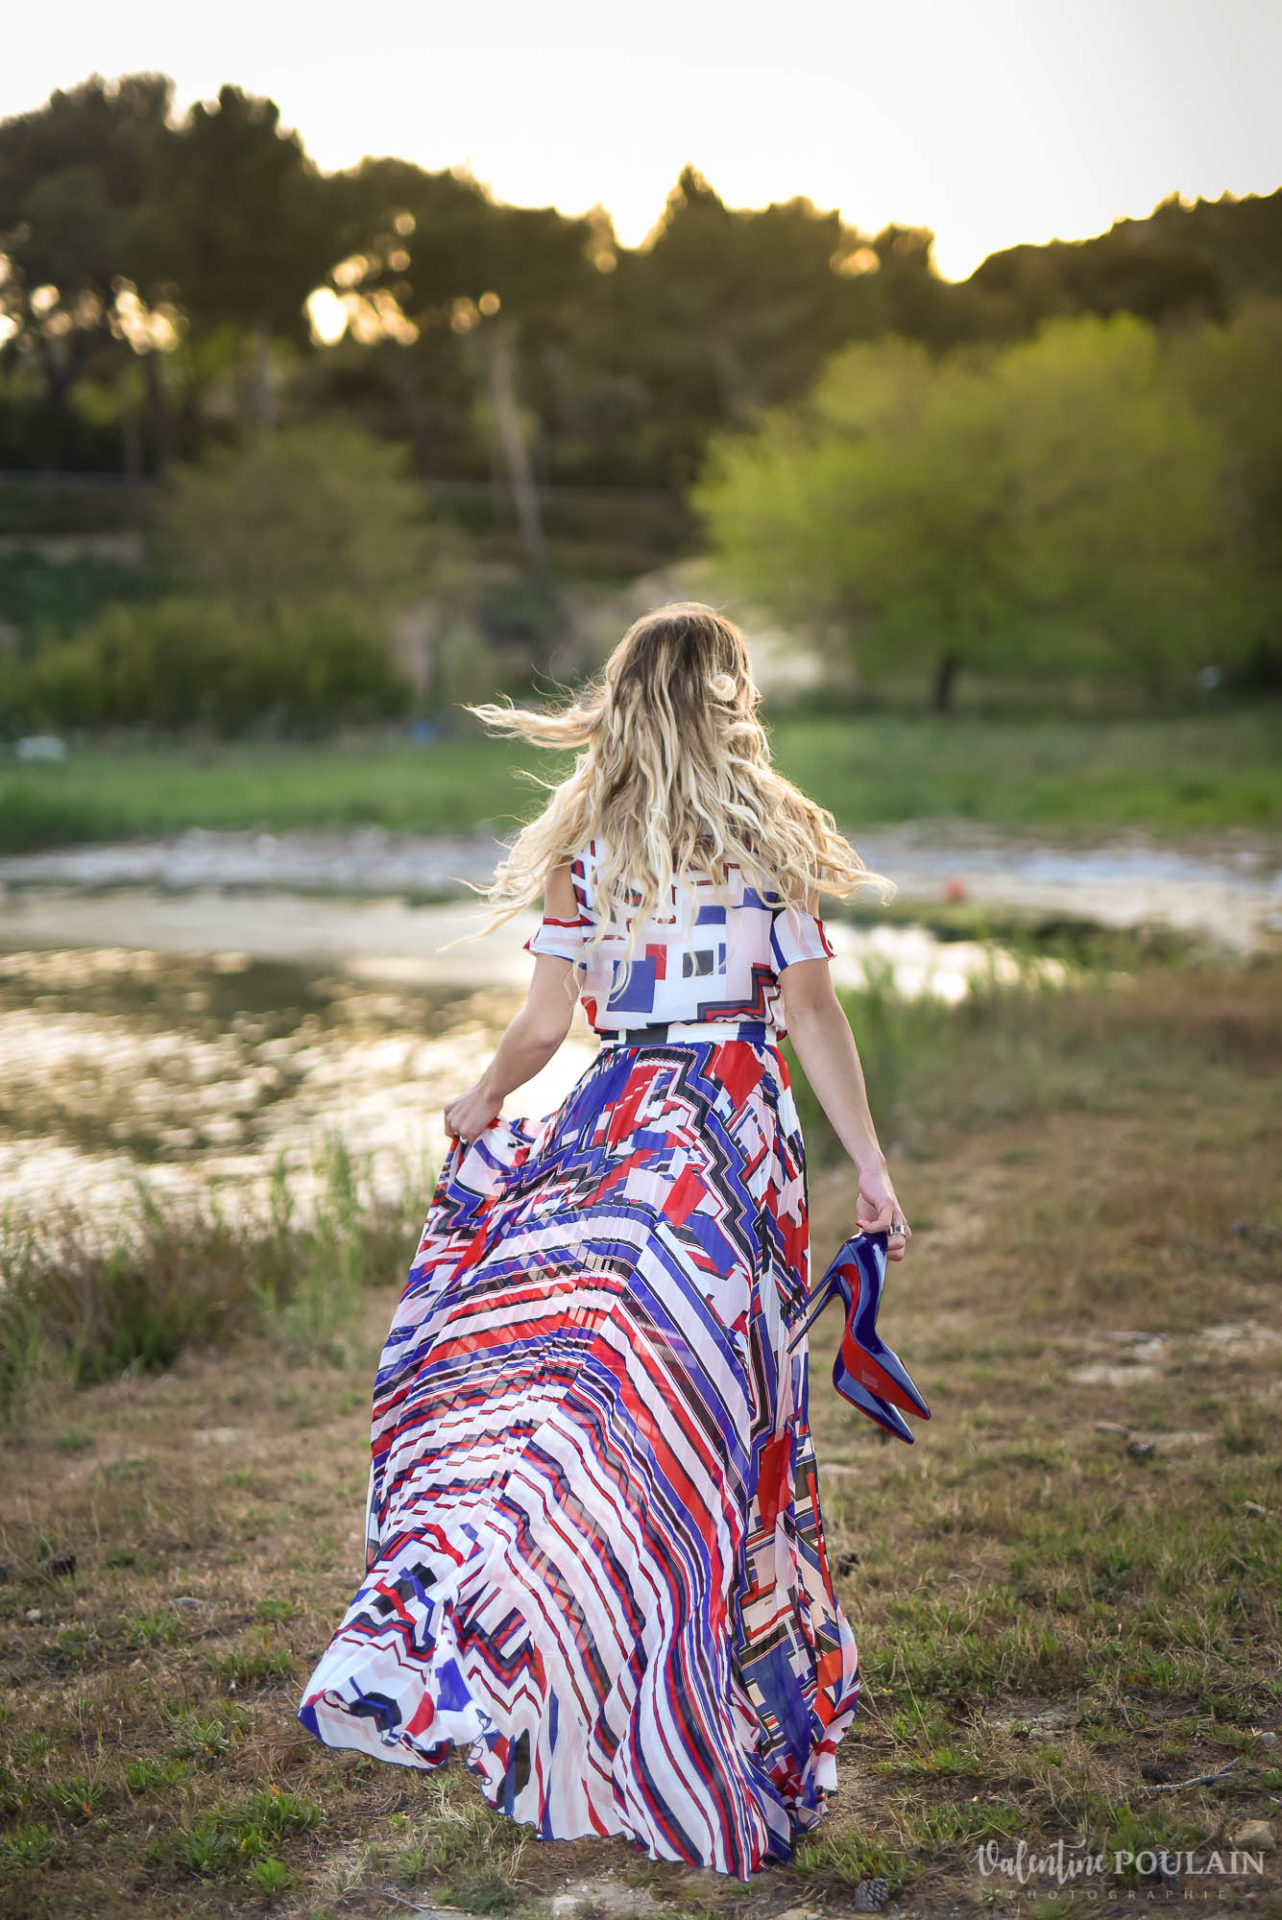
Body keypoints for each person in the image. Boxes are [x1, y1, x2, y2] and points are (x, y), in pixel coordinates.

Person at [298, 603, 911, 1880]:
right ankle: (716, 1691)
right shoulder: (773, 833)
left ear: (625, 696)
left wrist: (480, 1101)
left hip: (620, 1116)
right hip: (732, 1140)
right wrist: (869, 1160)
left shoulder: (589, 843)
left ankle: (555, 1622)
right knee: (727, 1411)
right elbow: (808, 1014)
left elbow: (540, 1028)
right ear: (727, 695)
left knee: (593, 1387)